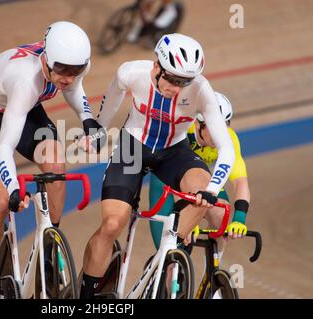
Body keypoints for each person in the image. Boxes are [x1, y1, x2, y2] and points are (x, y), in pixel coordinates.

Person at [79, 33, 235, 299]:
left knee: (202, 191)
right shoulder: (131, 73)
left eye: (184, 82)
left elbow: (226, 149)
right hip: (132, 147)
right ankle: (85, 297)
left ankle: (166, 255)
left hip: (173, 151)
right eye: (173, 79)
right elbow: (112, 98)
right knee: (113, 224)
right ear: (157, 66)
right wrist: (99, 131)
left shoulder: (201, 91)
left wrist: (212, 189)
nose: (178, 87)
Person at [0, 21, 104, 298]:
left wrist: (87, 118)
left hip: (25, 111)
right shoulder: (26, 82)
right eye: (62, 70)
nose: (68, 77)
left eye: (75, 70)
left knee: (55, 163)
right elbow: (4, 147)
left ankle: (51, 245)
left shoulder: (73, 65)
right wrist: (14, 188)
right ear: (47, 60)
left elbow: (73, 88)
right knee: (0, 201)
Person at [149, 92, 250, 260]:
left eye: (224, 126)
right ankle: (165, 275)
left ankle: (213, 274)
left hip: (202, 185)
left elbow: (240, 181)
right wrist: (190, 216)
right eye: (214, 127)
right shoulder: (182, 130)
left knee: (221, 217)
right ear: (198, 124)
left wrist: (240, 217)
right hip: (167, 182)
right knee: (168, 255)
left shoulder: (229, 139)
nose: (220, 133)